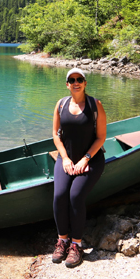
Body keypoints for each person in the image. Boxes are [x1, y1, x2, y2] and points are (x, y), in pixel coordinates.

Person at [51, 68, 106, 268]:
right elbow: (56, 136)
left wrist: (85, 159)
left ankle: (76, 245)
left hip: (90, 160)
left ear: (84, 83)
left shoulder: (95, 105)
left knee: (75, 196)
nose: (76, 82)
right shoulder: (61, 104)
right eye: (72, 80)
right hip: (66, 159)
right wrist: (65, 159)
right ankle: (62, 240)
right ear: (67, 84)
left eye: (79, 79)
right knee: (59, 195)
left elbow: (101, 137)